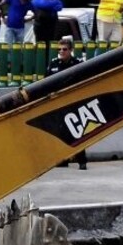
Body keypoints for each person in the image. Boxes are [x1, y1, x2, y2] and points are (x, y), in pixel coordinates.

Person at [46, 38, 87, 169]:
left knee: (77, 131)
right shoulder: (53, 64)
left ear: (71, 50)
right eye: (59, 49)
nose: (61, 52)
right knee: (60, 131)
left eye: (64, 49)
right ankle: (63, 160)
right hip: (58, 102)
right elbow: (46, 83)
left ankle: (82, 160)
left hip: (74, 101)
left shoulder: (78, 63)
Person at [32, 0, 64, 66]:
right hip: (41, 26)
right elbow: (41, 4)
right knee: (42, 47)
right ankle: (41, 66)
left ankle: (51, 65)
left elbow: (60, 6)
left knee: (52, 47)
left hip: (52, 26)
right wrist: (53, 3)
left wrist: (49, 4)